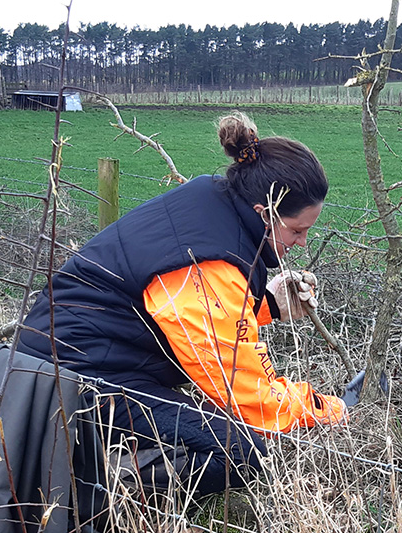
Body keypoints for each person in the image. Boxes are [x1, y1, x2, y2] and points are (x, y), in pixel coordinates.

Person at [18, 112, 348, 498]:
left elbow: (186, 314)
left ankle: (110, 466)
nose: (302, 243)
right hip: (73, 383)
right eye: (297, 230)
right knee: (242, 453)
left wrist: (268, 305)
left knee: (204, 426)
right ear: (265, 212)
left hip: (70, 361)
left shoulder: (213, 201)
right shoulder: (207, 261)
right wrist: (327, 410)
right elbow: (247, 396)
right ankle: (86, 498)